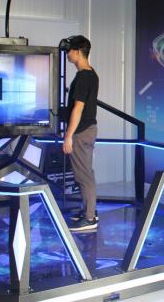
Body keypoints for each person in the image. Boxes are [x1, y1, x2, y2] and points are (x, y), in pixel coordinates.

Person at [62, 35, 99, 232]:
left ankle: (90, 218)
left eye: (69, 50)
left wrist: (68, 136)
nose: (67, 54)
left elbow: (78, 108)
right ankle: (89, 211)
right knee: (86, 173)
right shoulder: (90, 73)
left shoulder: (84, 76)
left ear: (77, 52)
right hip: (86, 129)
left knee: (83, 176)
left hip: (81, 132)